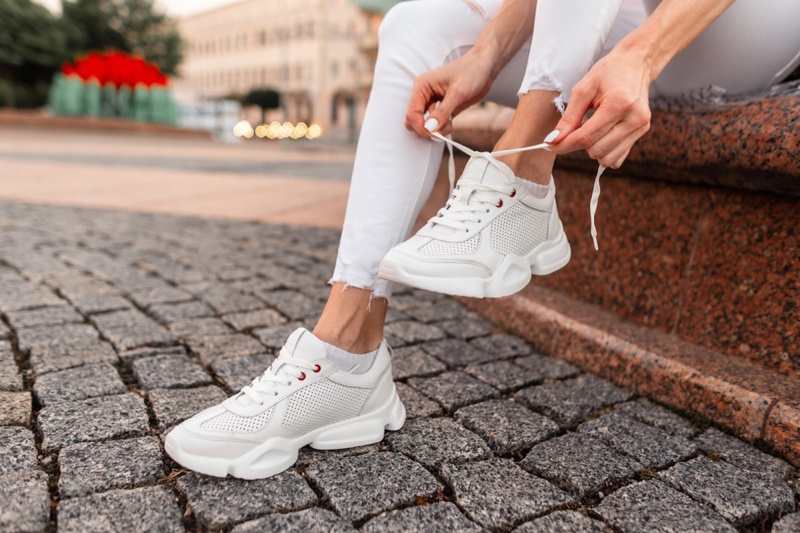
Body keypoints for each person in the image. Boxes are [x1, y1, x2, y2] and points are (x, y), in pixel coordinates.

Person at [165, 0, 800, 479]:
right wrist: (485, 56)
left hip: (738, 30)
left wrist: (642, 53)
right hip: (617, 27)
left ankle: (520, 181)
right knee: (418, 22)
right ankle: (345, 354)